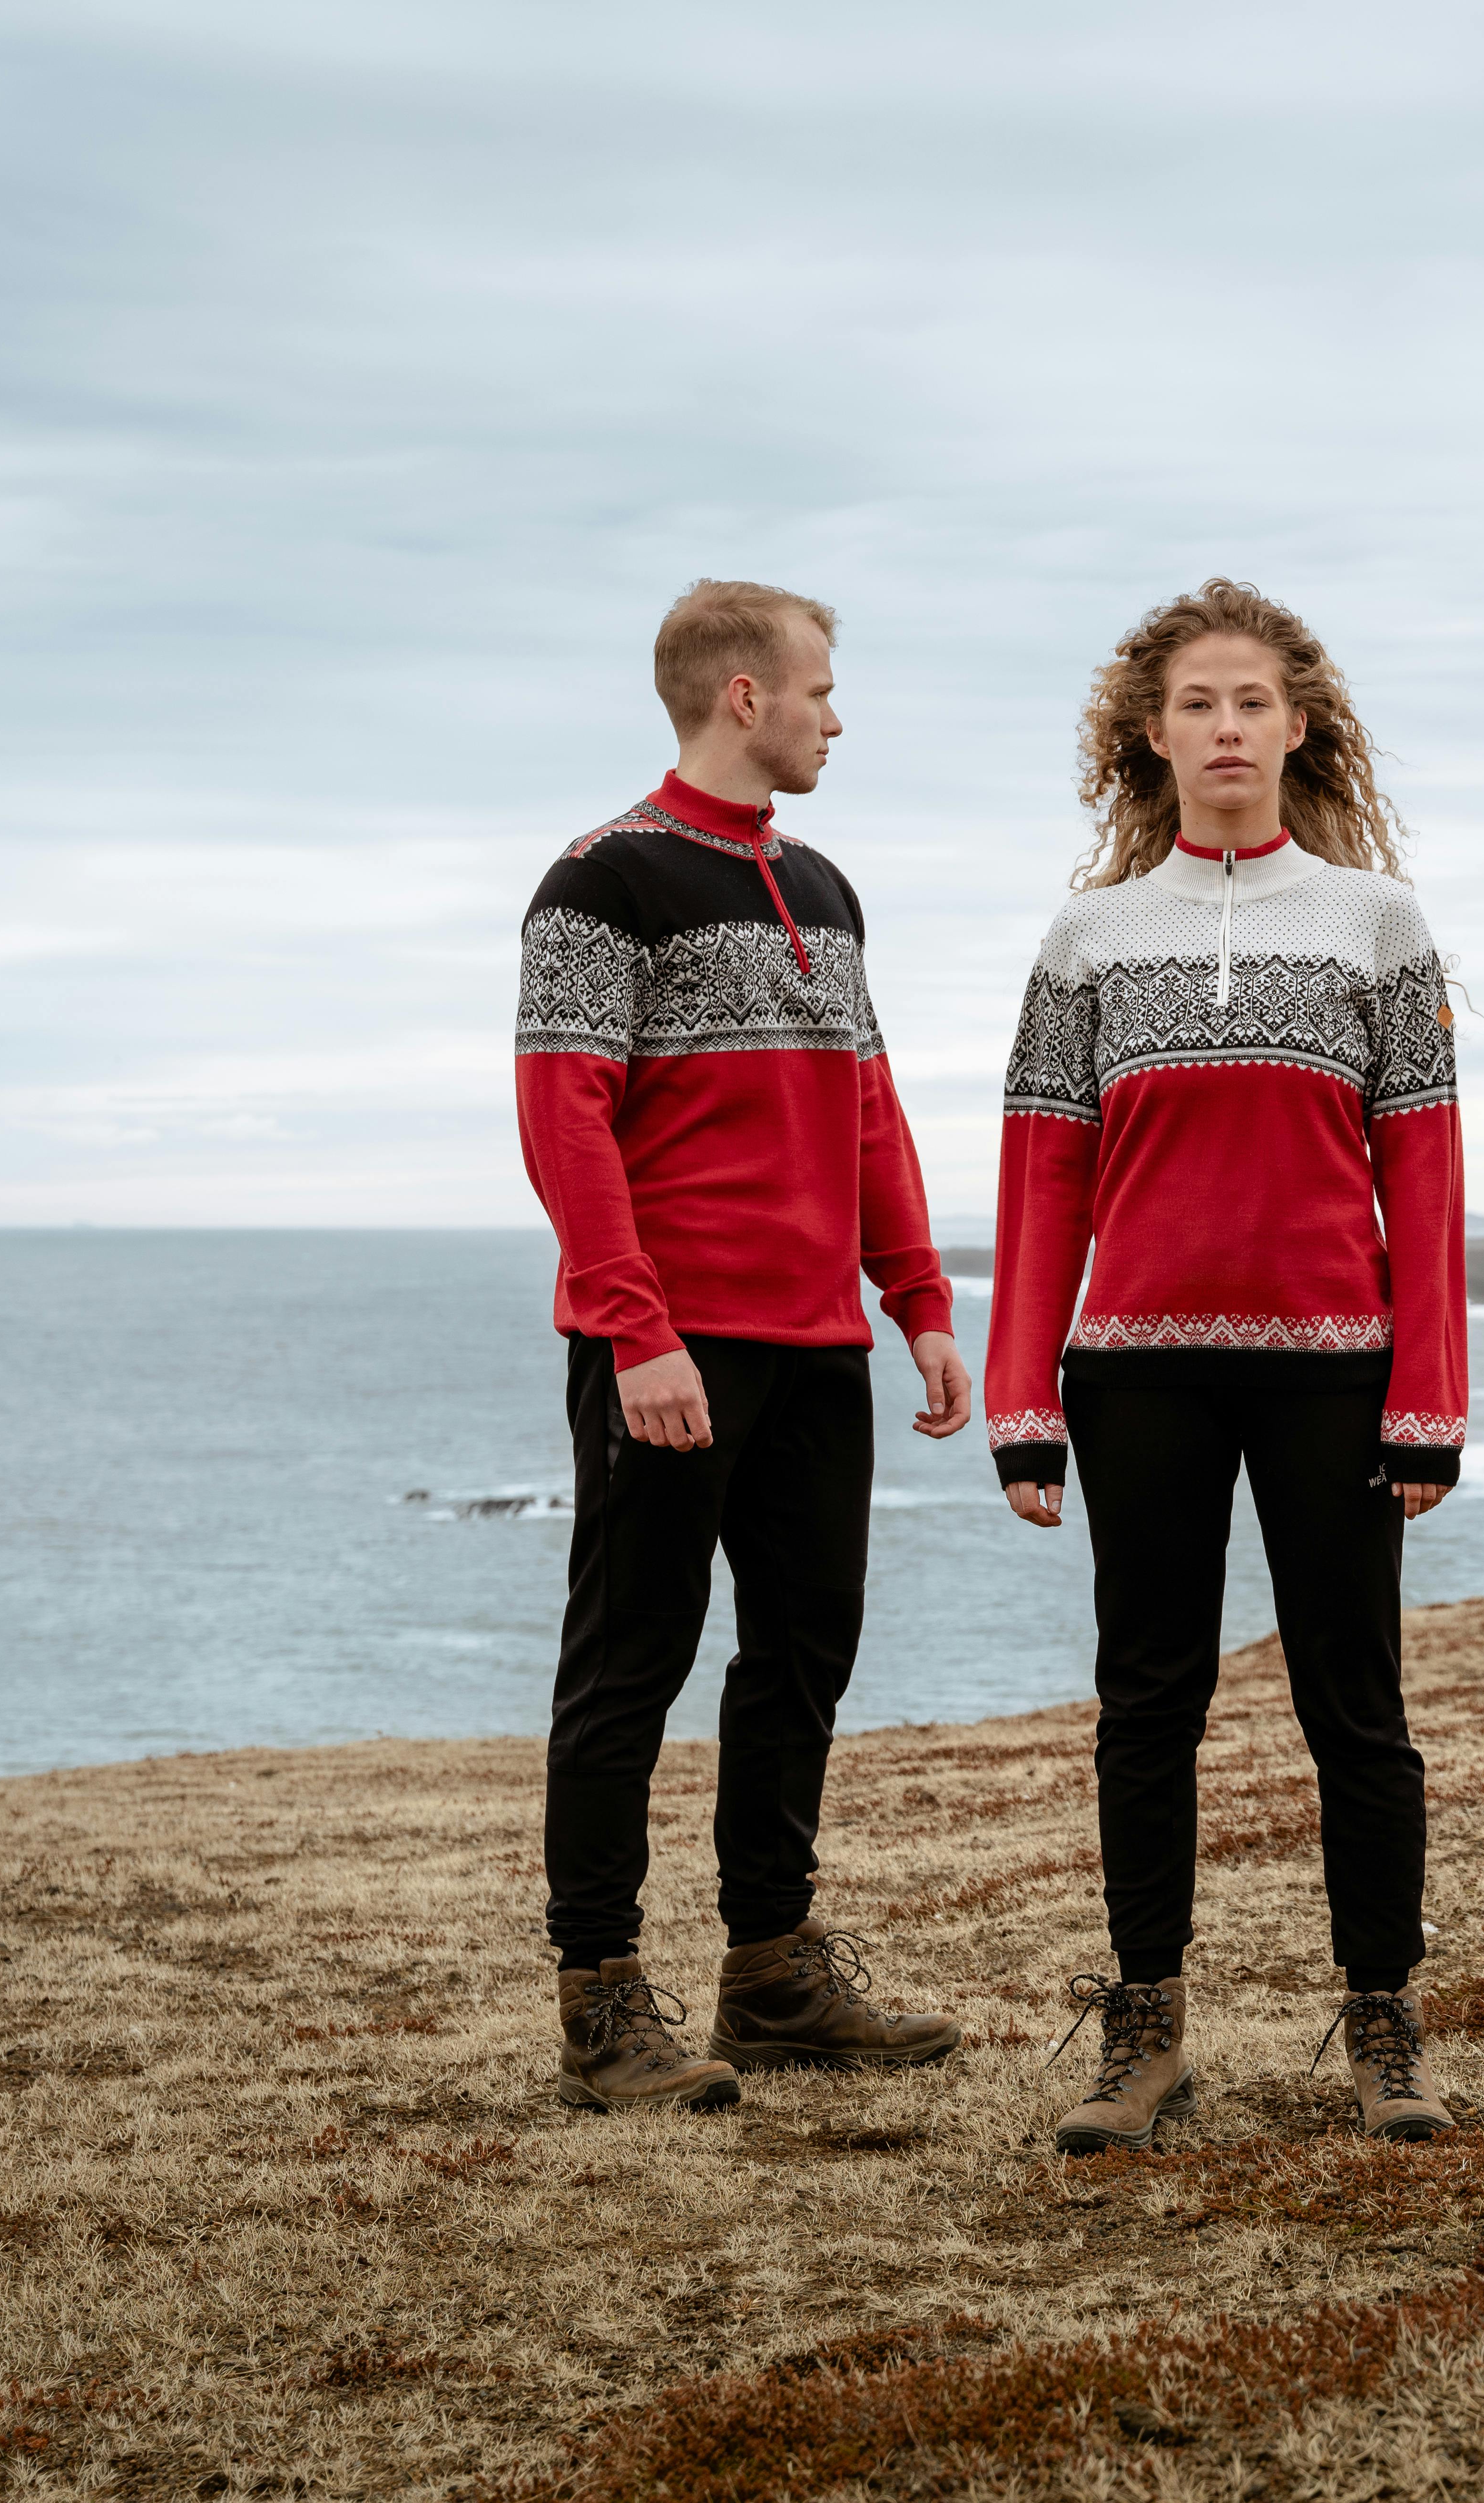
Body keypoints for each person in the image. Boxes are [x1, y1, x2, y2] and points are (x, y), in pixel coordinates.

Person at [983, 579, 1467, 2152]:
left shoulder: (1377, 924)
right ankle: (1146, 2029)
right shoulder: (1089, 941)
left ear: (1299, 726)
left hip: (1334, 1368)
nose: (1228, 727)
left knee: (1357, 1706)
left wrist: (1428, 1396)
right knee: (1148, 1702)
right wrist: (1021, 1404)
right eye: (1198, 703)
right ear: (1152, 735)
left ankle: (1386, 2022)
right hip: (1139, 1375)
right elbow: (1043, 1181)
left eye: (1252, 701)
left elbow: (1429, 1177)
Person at [513, 578, 973, 2113]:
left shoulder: (827, 890)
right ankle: (600, 2002)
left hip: (814, 1348)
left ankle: (771, 1973)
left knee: (801, 1655)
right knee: (628, 1664)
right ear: (741, 696)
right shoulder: (599, 883)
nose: (840, 718)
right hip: (668, 1348)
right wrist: (637, 1332)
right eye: (823, 690)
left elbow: (869, 1111)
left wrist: (917, 1304)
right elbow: (563, 1119)